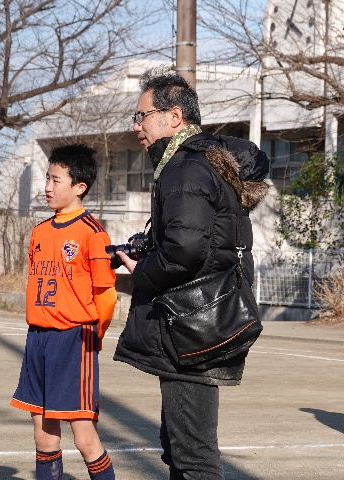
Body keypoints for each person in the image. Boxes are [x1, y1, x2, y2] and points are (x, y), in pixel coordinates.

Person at [113, 67, 269, 479]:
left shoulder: (186, 167)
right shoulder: (198, 164)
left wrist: (141, 270)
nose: (136, 126)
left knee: (193, 456)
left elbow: (185, 249)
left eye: (142, 115)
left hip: (191, 325)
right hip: (197, 319)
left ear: (174, 116)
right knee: (180, 448)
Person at [10, 144, 117, 480]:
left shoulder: (93, 233)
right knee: (43, 435)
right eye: (47, 178)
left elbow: (106, 296)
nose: (48, 187)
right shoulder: (40, 232)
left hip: (74, 339)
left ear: (79, 187)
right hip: (37, 338)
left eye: (56, 180)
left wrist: (93, 337)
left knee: (84, 438)